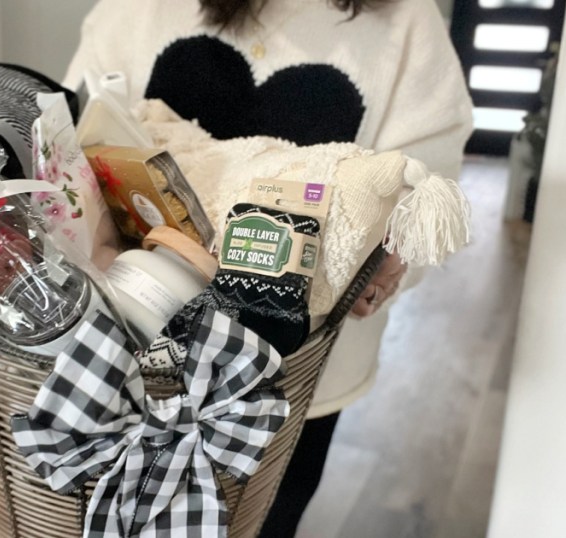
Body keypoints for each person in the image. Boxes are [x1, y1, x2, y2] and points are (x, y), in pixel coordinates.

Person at [63, 0, 473, 535]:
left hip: (302, 377)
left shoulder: (405, 23)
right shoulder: (136, 10)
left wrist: (391, 261)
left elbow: (430, 183)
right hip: (128, 355)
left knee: (272, 513)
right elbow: (68, 140)